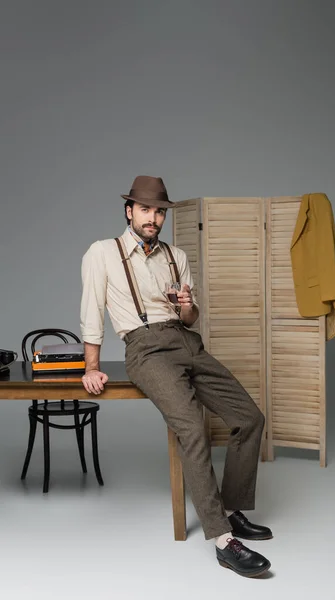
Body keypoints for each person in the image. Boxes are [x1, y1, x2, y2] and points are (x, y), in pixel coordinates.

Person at [80, 175, 273, 578]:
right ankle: (222, 540)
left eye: (159, 212)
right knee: (192, 429)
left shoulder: (176, 255)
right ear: (129, 210)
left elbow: (190, 317)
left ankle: (233, 510)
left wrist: (187, 306)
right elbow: (92, 311)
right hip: (145, 348)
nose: (153, 218)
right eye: (146, 209)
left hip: (186, 341)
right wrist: (92, 366)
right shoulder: (102, 253)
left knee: (249, 418)